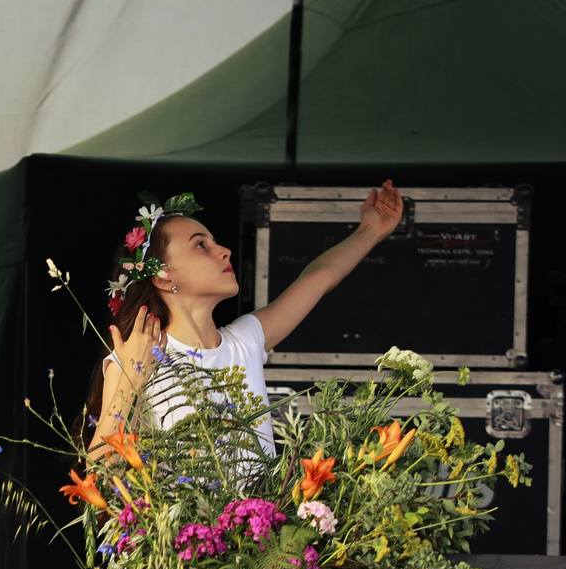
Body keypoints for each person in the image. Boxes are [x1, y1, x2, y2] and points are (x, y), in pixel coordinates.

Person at [87, 182, 406, 457]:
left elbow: (318, 278)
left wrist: (371, 230)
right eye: (200, 245)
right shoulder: (136, 357)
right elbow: (100, 469)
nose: (224, 250)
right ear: (162, 275)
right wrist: (130, 379)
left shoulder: (245, 340)